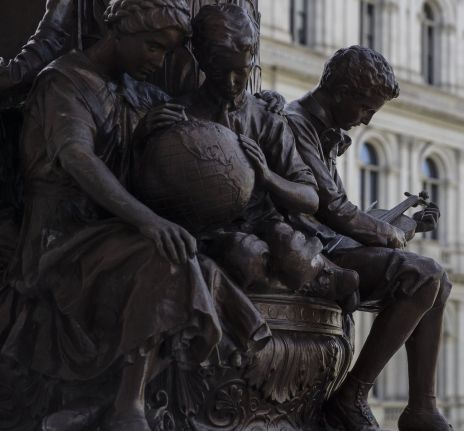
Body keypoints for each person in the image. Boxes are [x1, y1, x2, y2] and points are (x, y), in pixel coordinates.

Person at [0, 1, 270, 430]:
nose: (158, 61)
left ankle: (103, 404)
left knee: (197, 263)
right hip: (60, 238)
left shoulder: (130, 94)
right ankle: (128, 407)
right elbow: (77, 159)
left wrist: (144, 136)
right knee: (164, 259)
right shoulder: (63, 81)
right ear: (119, 31)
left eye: (167, 53)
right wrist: (148, 219)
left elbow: (122, 164)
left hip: (106, 232)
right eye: (153, 47)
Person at [284, 46, 453, 431]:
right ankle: (350, 397)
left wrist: (402, 226)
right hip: (309, 249)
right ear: (340, 91)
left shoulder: (324, 131)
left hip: (329, 242)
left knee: (438, 282)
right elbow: (332, 208)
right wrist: (394, 233)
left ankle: (422, 406)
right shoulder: (297, 123)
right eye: (365, 108)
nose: (366, 121)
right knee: (422, 275)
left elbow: (337, 210)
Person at [171, 3, 357, 306]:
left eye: (241, 71)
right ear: (201, 60)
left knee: (286, 243)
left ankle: (318, 274)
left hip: (266, 226)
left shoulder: (266, 118)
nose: (232, 83)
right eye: (222, 71)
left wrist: (268, 178)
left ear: (252, 62)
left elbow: (311, 197)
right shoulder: (181, 115)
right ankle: (315, 276)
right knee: (245, 254)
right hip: (209, 229)